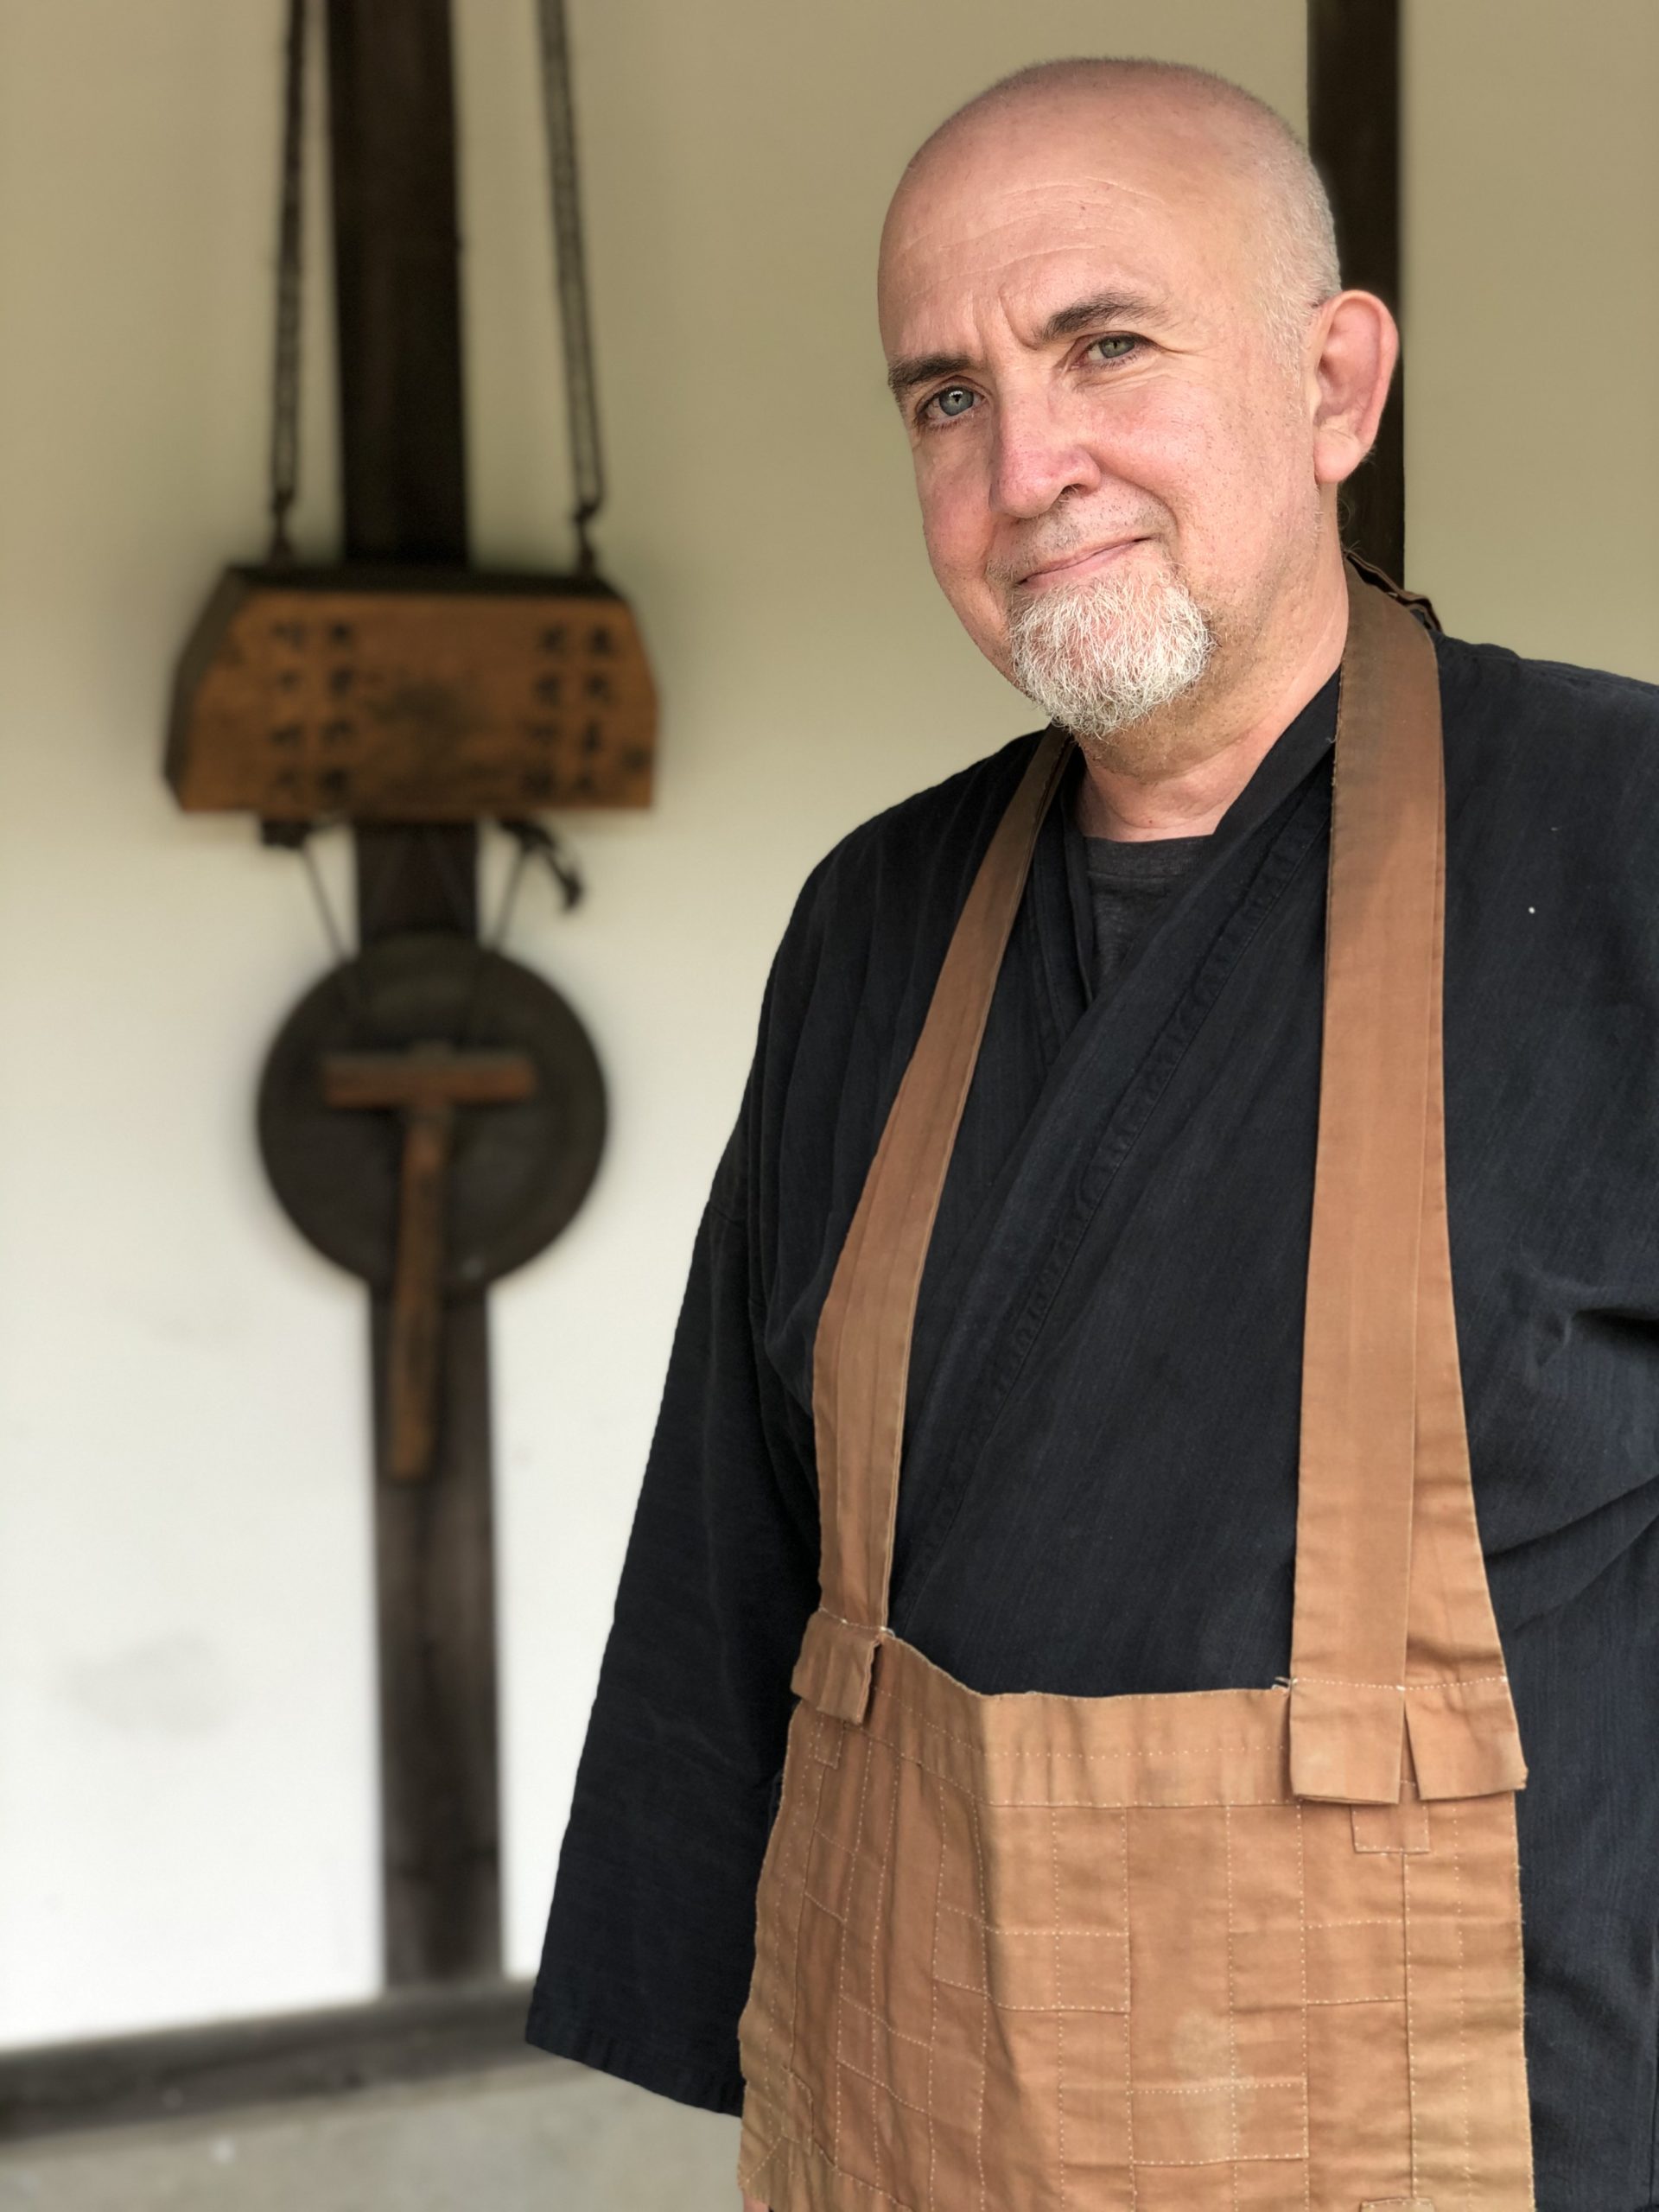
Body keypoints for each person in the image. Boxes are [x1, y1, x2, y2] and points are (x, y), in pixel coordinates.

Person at [528, 57, 1659, 2212]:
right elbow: (728, 1553)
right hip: (924, 2097)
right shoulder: (877, 918)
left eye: (1103, 346)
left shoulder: (1622, 846)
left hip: (1500, 2109)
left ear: (1336, 383)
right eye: (946, 397)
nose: (1028, 463)